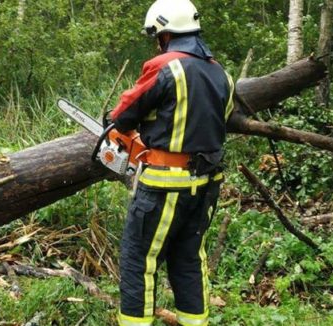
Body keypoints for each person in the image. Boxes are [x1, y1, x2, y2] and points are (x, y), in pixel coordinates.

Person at [108, 1, 235, 325]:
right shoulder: (221, 73)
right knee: (188, 259)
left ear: (164, 33)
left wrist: (132, 128)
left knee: (139, 260)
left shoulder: (165, 66)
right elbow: (220, 118)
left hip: (166, 185)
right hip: (206, 185)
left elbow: (124, 115)